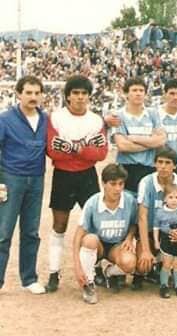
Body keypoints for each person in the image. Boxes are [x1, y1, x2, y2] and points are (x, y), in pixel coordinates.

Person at [45, 75, 109, 293]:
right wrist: (84, 148)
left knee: (94, 225)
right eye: (76, 93)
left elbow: (100, 154)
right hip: (62, 175)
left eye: (84, 93)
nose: (80, 97)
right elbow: (53, 151)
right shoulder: (56, 118)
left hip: (87, 175)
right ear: (68, 96)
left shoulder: (96, 121)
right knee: (59, 225)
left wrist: (73, 148)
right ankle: (54, 272)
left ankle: (97, 268)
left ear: (89, 96)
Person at [0, 76, 47, 294]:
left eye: (37, 93)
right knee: (3, 233)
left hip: (36, 179)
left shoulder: (46, 119)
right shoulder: (5, 119)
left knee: (31, 231)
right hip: (11, 179)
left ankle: (29, 279)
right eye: (28, 92)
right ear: (18, 94)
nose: (33, 97)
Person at [72, 164, 137, 304]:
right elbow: (78, 236)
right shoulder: (92, 203)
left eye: (121, 184)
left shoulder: (129, 200)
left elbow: (133, 223)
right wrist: (77, 266)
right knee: (90, 239)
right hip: (98, 245)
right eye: (113, 184)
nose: (118, 188)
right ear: (103, 184)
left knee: (130, 262)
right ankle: (89, 284)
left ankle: (109, 272)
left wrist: (130, 237)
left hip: (117, 245)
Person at [134, 147, 177, 291]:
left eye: (168, 163)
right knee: (143, 264)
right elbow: (142, 217)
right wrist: (146, 250)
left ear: (175, 165)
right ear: (154, 164)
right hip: (153, 232)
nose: (163, 166)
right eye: (160, 162)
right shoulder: (146, 182)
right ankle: (148, 271)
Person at [112, 77, 167, 195]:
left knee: (148, 206)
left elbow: (161, 140)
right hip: (127, 168)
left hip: (150, 166)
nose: (138, 94)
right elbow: (123, 146)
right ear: (126, 93)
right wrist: (150, 142)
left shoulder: (152, 113)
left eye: (141, 91)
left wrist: (134, 138)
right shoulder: (119, 115)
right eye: (134, 90)